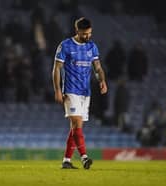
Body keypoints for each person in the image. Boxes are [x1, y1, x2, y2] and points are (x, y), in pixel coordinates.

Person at [52, 17, 108, 169]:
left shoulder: (92, 47)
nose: (87, 36)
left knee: (76, 128)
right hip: (70, 90)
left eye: (89, 33)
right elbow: (57, 68)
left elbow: (97, 67)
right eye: (84, 34)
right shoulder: (65, 45)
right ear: (77, 31)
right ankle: (84, 157)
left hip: (85, 92)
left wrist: (102, 80)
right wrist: (57, 90)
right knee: (76, 123)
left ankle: (66, 161)